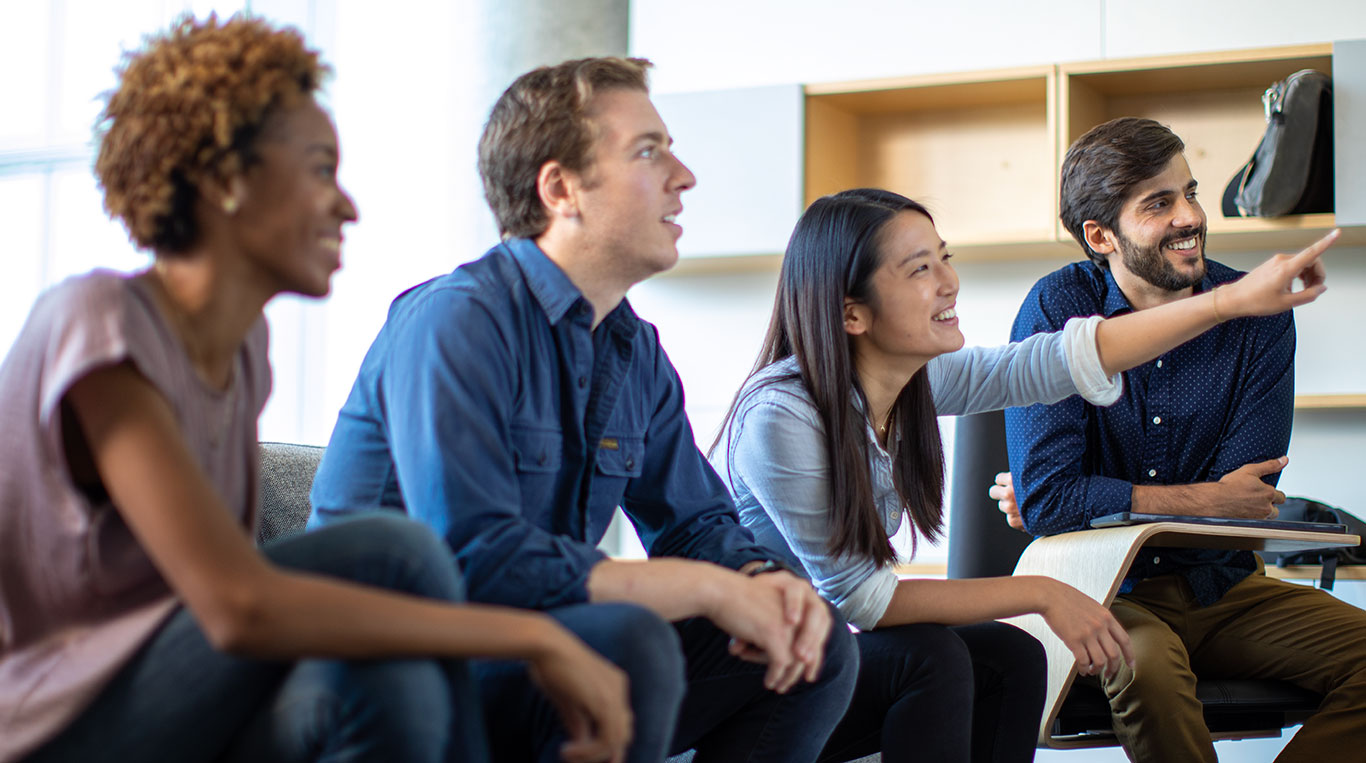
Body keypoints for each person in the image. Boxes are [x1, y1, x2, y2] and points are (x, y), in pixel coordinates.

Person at [0, 16, 631, 763]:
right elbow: (237, 607)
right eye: (318, 169)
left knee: (395, 687)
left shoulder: (244, 352)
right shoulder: (98, 321)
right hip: (55, 718)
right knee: (395, 549)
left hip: (180, 690)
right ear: (225, 180)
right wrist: (533, 635)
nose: (347, 206)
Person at [307, 56, 857, 763]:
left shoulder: (634, 349)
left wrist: (768, 587)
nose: (684, 176)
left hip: (529, 644)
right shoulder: (456, 320)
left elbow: (697, 522)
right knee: (633, 640)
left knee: (817, 646)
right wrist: (704, 587)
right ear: (560, 188)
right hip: (405, 658)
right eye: (649, 150)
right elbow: (469, 558)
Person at [710, 186, 1334, 763]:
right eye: (920, 269)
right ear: (852, 314)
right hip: (744, 684)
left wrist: (1232, 302)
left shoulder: (908, 384)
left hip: (816, 656)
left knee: (1009, 654)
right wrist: (1043, 591)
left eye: (944, 258)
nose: (949, 282)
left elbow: (1063, 358)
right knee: (929, 658)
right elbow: (867, 600)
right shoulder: (781, 415)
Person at [992, 116, 1365, 762]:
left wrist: (1104, 495)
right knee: (1145, 666)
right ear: (1100, 235)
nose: (1190, 215)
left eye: (1189, 192)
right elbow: (1052, 497)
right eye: (1159, 204)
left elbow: (1248, 492)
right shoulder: (1056, 309)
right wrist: (1199, 498)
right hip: (1105, 588)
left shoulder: (1254, 309)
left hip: (1223, 587)